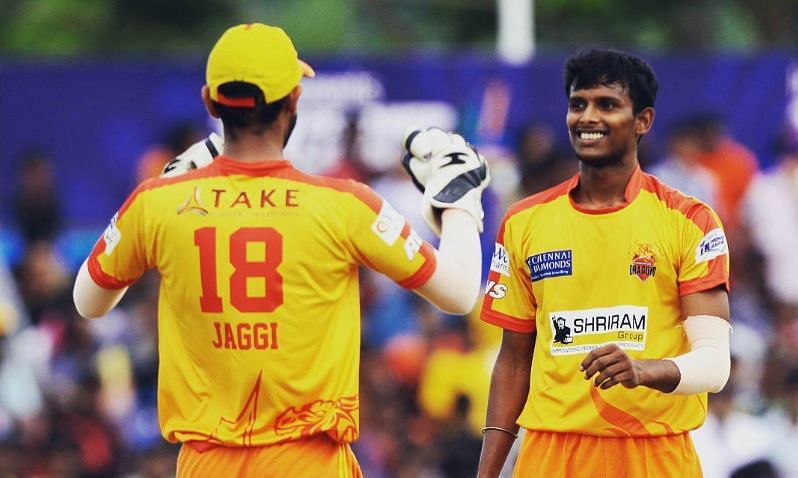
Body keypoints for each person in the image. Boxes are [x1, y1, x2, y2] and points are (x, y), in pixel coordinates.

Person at [72, 23, 489, 477]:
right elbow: (461, 293)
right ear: (294, 100)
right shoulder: (345, 205)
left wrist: (169, 187)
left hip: (204, 466)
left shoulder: (156, 202)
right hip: (309, 464)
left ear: (211, 102)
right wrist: (459, 200)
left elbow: (87, 302)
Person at [477, 48, 732, 478]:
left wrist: (643, 370)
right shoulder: (524, 221)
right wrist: (487, 471)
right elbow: (514, 360)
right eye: (578, 104)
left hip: (653, 452)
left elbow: (715, 363)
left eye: (607, 105)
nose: (587, 117)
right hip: (549, 454)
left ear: (643, 121)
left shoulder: (690, 220)